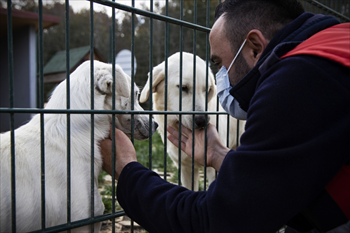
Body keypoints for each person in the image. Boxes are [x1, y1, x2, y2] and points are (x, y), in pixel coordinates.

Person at [100, 0, 350, 232]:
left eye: (220, 63)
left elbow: (218, 220)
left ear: (254, 48)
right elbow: (272, 185)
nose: (220, 78)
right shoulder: (335, 43)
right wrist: (218, 154)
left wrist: (127, 170)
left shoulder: (294, 84)